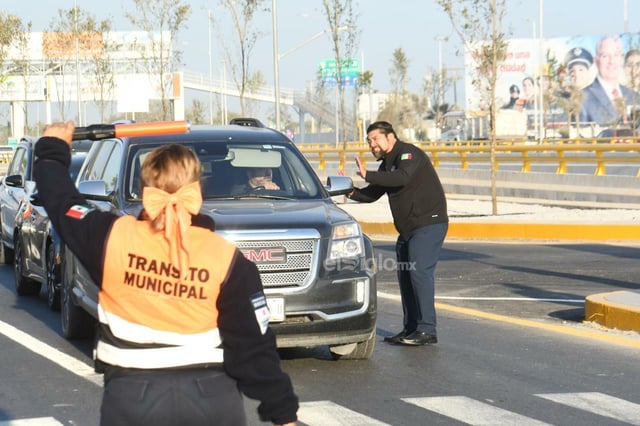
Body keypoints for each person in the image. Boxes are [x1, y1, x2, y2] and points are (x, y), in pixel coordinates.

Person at [33, 121, 298, 426]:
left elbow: (61, 201)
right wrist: (283, 415)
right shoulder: (228, 259)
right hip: (212, 400)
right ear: (197, 190)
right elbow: (254, 345)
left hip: (131, 399)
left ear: (146, 191)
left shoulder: (110, 237)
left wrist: (53, 150)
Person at [344, 121, 448, 346]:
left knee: (419, 273)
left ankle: (427, 329)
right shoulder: (386, 167)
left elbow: (402, 177)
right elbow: (371, 195)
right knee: (406, 277)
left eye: (375, 139)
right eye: (369, 141)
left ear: (390, 137)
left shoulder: (408, 154)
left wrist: (367, 174)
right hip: (408, 230)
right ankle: (411, 328)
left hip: (428, 224)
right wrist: (349, 190)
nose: (372, 145)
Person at [579, 35, 640, 126]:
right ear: (596, 61)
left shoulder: (634, 97)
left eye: (616, 55)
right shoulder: (582, 98)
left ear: (621, 59)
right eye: (605, 56)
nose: (611, 61)